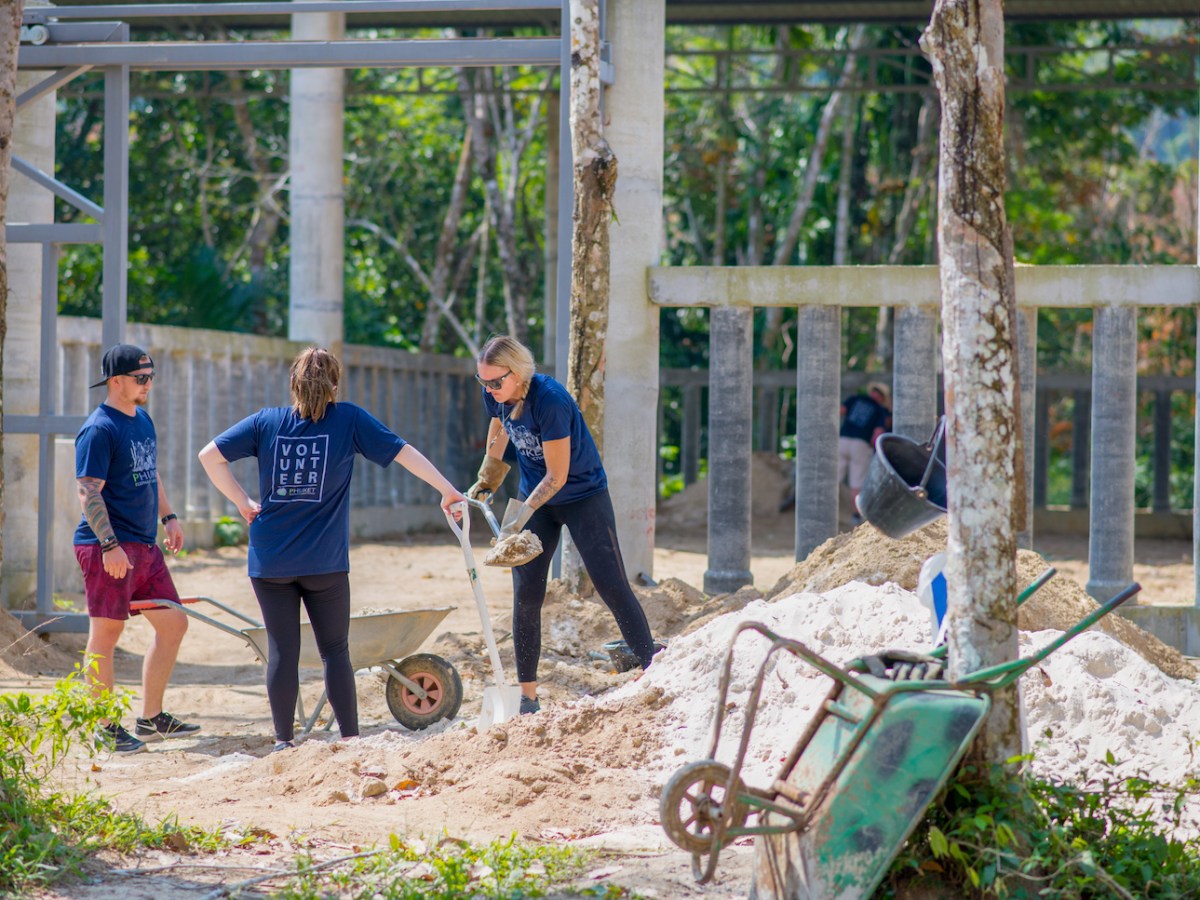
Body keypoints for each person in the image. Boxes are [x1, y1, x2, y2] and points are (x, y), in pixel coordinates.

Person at [198, 347, 465, 752]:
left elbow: (209, 456)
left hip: (271, 559)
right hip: (324, 561)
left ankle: (284, 743)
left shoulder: (266, 422)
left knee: (282, 652)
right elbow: (403, 453)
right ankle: (349, 740)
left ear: (293, 384)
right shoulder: (349, 419)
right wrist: (447, 490)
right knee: (335, 650)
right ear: (336, 385)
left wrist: (242, 502)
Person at [467, 335, 660, 715]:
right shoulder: (499, 392)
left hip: (581, 495)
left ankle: (653, 669)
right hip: (535, 497)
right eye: (483, 383)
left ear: (518, 373)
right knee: (526, 594)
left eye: (495, 382)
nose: (489, 390)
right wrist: (489, 474)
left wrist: (520, 516)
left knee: (610, 583)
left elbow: (557, 475)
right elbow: (499, 425)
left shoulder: (550, 401)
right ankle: (528, 696)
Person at [75, 343, 200, 755]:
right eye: (140, 378)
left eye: (151, 376)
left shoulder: (142, 420)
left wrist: (169, 517)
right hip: (107, 546)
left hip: (144, 546)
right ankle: (104, 726)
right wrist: (109, 545)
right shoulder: (99, 428)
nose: (148, 384)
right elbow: (88, 491)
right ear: (116, 381)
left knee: (173, 624)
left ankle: (150, 719)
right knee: (106, 635)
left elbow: (150, 472)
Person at [838, 381, 892, 516]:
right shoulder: (880, 410)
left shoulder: (855, 399)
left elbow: (840, 411)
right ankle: (857, 515)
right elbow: (878, 434)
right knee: (857, 482)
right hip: (860, 445)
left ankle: (821, 507)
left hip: (842, 440)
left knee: (833, 478)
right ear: (882, 397)